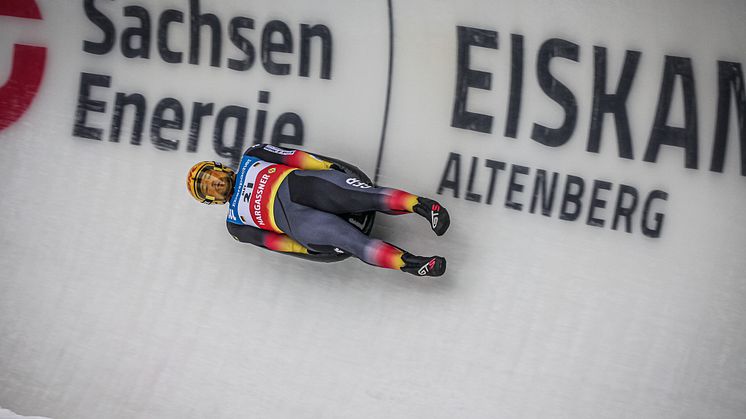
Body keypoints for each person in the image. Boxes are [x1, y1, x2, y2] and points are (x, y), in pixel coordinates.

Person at [186, 144, 450, 277]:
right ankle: (413, 264)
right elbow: (274, 243)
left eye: (211, 177)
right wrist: (306, 250)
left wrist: (324, 166)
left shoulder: (253, 154)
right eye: (208, 189)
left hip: (304, 185)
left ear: (218, 168)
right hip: (299, 223)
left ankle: (424, 206)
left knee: (360, 195)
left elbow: (291, 157)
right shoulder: (235, 225)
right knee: (352, 243)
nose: (215, 184)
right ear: (212, 200)